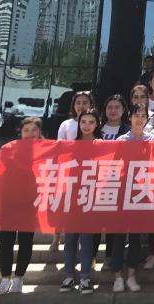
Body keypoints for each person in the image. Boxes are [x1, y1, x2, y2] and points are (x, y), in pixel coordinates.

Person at [0, 116, 42, 294]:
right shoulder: (8, 149)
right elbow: (0, 178)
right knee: (6, 242)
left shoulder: (46, 152)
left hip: (31, 203)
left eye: (34, 130)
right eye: (26, 130)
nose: (30, 133)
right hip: (8, 202)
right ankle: (5, 279)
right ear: (20, 132)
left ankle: (19, 278)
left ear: (40, 132)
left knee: (26, 242)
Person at [111, 105, 150, 293]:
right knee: (118, 237)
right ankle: (118, 276)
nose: (139, 119)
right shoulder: (121, 140)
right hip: (122, 193)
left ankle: (132, 275)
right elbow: (113, 166)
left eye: (143, 116)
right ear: (130, 117)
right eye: (136, 115)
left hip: (141, 193)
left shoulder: (152, 141)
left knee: (136, 237)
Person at [60, 110, 99, 294]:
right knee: (70, 239)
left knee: (86, 239)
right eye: (83, 121)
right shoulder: (71, 146)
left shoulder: (101, 145)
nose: (87, 125)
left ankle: (85, 277)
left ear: (96, 124)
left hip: (91, 197)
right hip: (72, 196)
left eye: (91, 122)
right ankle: (68, 276)